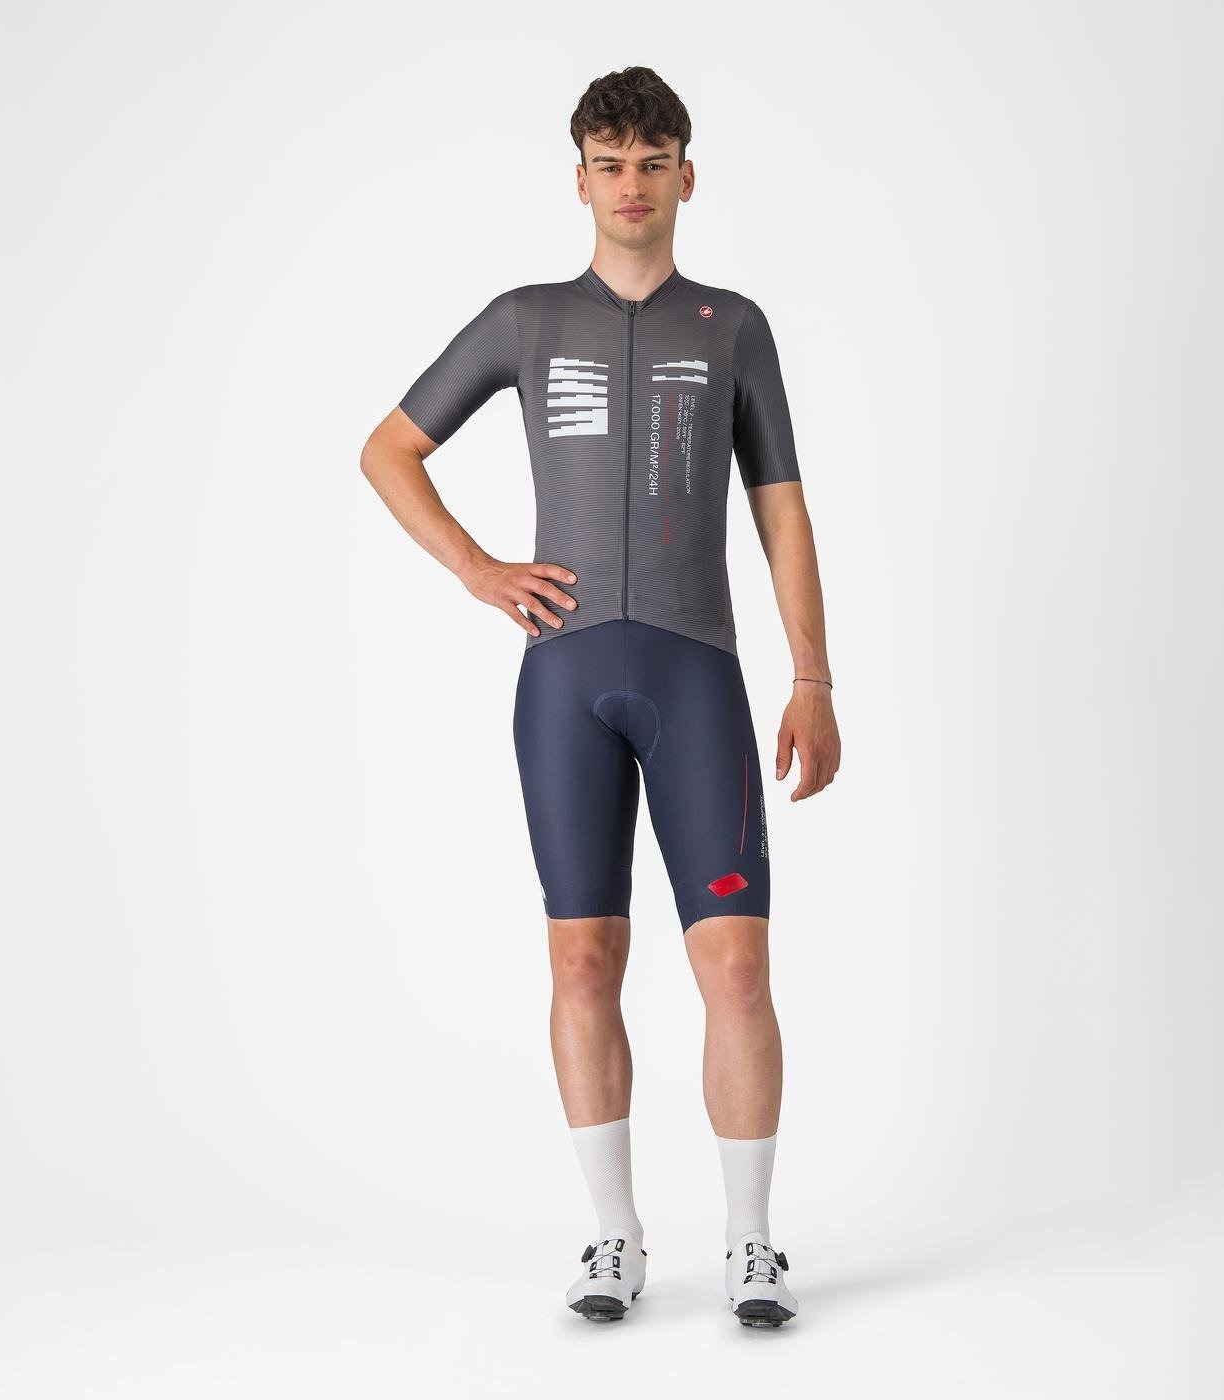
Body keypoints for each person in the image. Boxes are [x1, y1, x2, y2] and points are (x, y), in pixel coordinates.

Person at [359, 66, 839, 1327]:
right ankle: (613, 1234)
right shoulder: (524, 320)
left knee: (735, 965)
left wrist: (811, 673)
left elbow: (781, 513)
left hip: (696, 671)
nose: (632, 185)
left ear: (687, 175)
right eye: (610, 164)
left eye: (652, 162)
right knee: (581, 958)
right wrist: (478, 569)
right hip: (564, 677)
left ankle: (750, 1240)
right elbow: (388, 449)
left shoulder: (731, 326)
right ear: (578, 179)